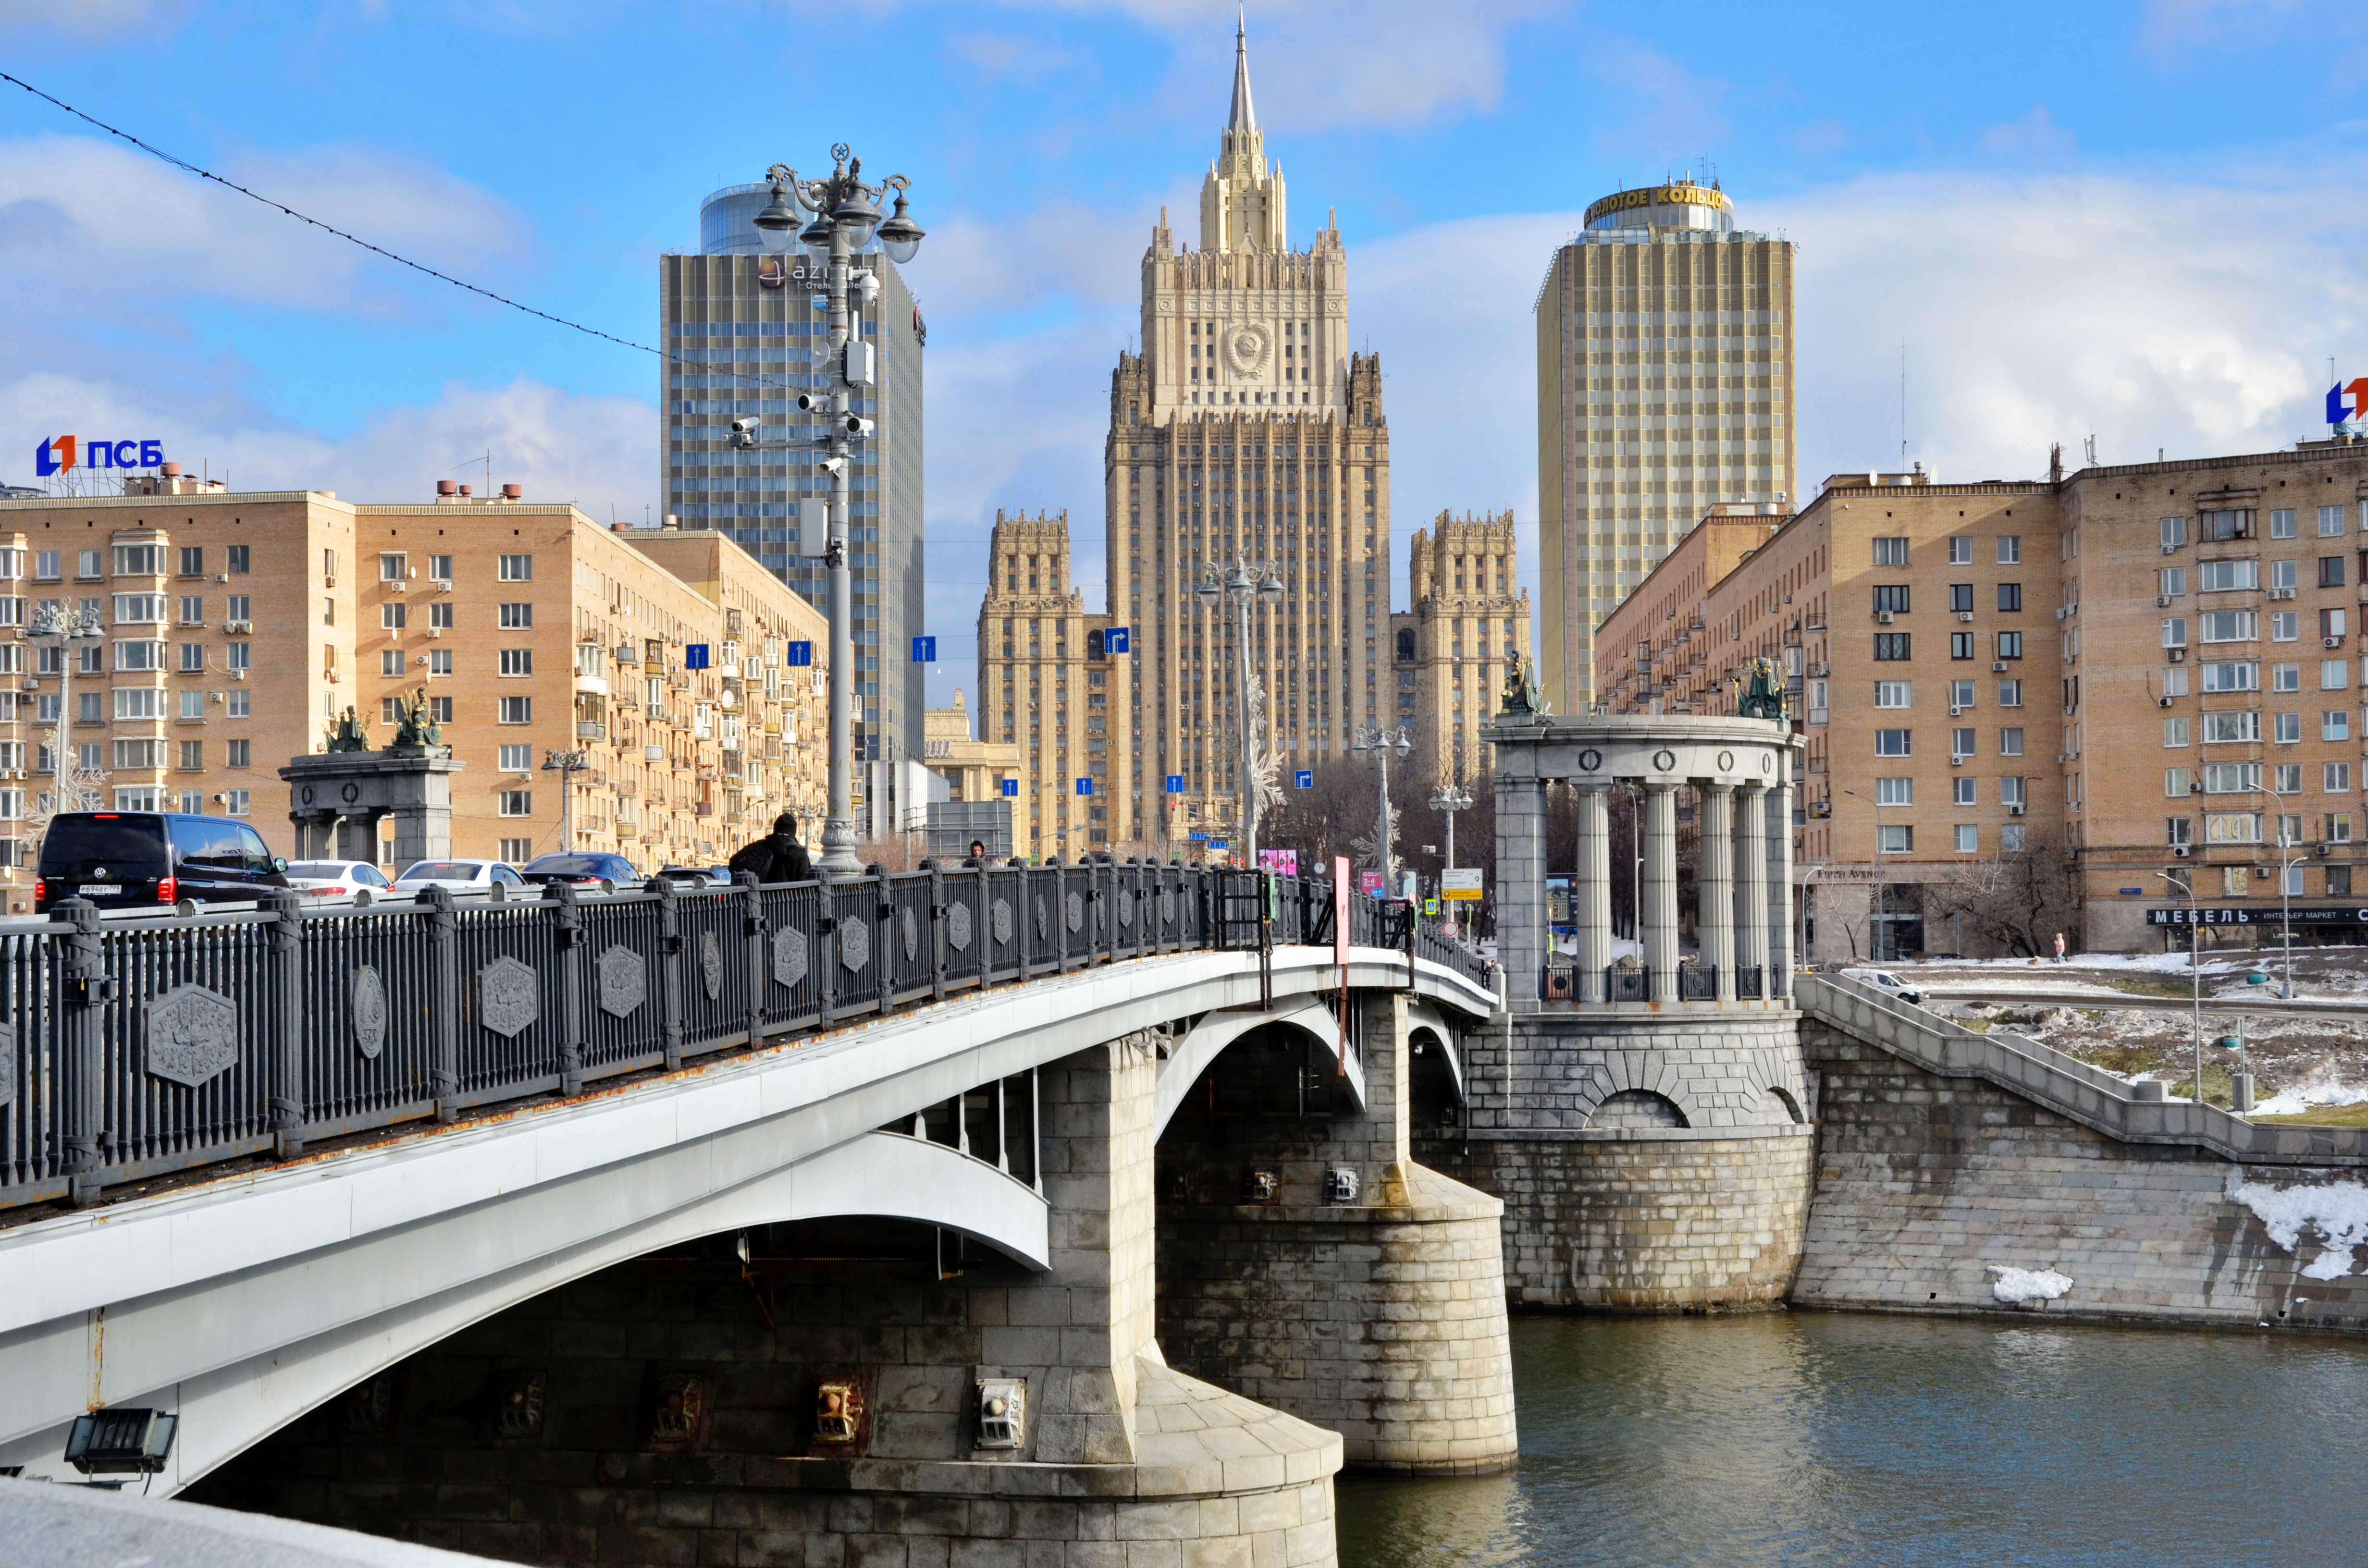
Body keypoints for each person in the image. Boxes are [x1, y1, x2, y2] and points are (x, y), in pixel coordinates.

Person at [728, 813, 814, 884]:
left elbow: (733, 864)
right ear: (793, 831)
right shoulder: (800, 853)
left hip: (762, 899)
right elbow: (806, 880)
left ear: (775, 828)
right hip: (790, 900)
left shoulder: (759, 847)